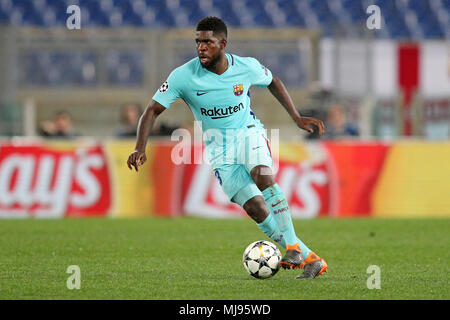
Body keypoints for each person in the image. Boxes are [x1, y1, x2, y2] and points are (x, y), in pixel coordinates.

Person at [127, 17, 327, 279]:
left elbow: (273, 81)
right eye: (198, 42)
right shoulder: (183, 76)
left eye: (207, 42)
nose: (201, 47)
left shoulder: (245, 67)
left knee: (262, 176)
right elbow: (152, 110)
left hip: (248, 133)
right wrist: (140, 147)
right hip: (219, 150)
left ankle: (291, 248)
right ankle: (311, 259)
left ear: (222, 43)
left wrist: (297, 117)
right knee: (256, 209)